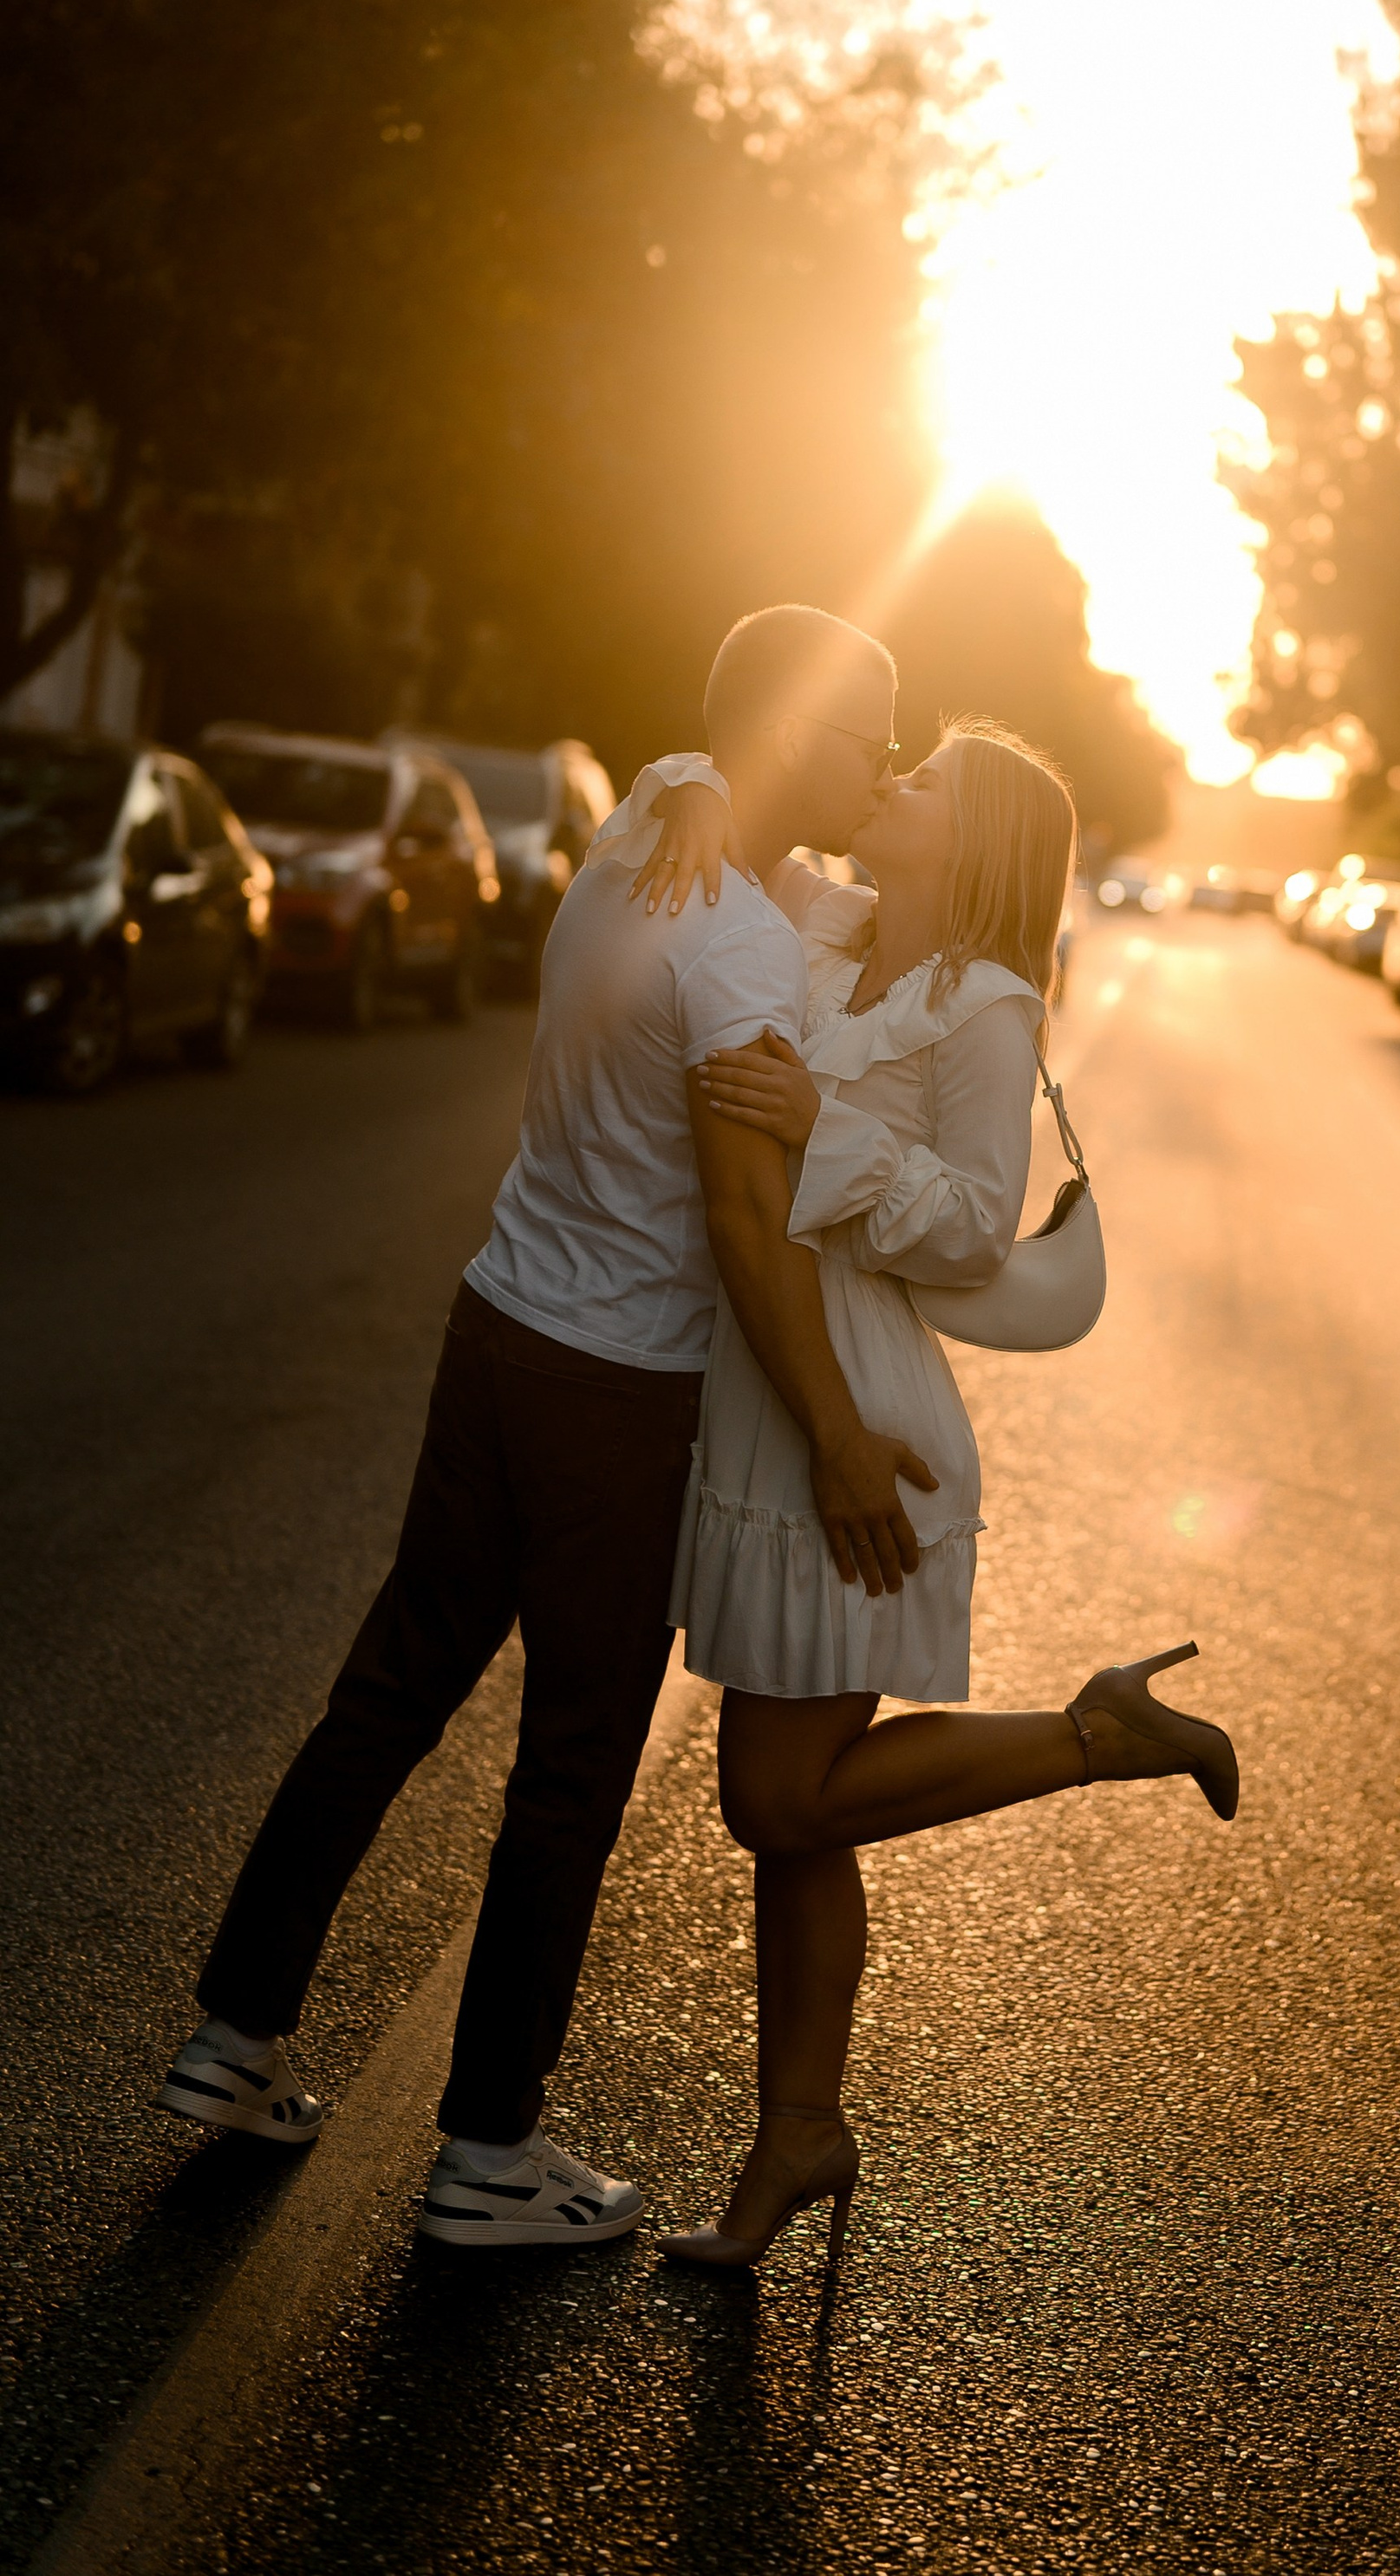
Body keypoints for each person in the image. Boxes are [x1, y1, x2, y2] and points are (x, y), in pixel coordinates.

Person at [160, 606, 941, 2249]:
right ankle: (488, 2156)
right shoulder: (733, 939)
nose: (886, 764)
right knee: (574, 1767)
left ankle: (232, 2042)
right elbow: (746, 1220)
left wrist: (705, 787)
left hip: (499, 1330)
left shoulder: (638, 837)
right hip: (614, 1391)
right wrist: (838, 1432)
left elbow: (689, 770)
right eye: (869, 736)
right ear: (788, 733)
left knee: (389, 1694)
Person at [629, 719, 1238, 2274]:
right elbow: (731, 786)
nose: (889, 780)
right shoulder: (825, 927)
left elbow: (971, 1229)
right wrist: (691, 788)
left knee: (773, 1797)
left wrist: (816, 1129)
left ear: (971, 844)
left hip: (862, 1422)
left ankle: (1097, 1736)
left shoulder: (989, 1007)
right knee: (796, 1822)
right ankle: (796, 2136)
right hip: (768, 1405)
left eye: (925, 783)